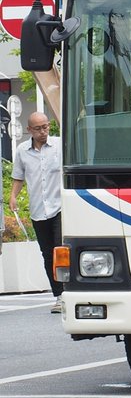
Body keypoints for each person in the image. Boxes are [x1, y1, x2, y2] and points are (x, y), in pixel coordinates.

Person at [8, 112, 64, 314]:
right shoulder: (23, 151)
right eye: (39, 128)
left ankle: (68, 292)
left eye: (46, 127)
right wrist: (13, 196)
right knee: (48, 254)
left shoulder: (59, 145)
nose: (43, 132)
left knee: (60, 250)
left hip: (60, 208)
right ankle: (58, 296)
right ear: (29, 130)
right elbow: (18, 176)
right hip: (38, 210)